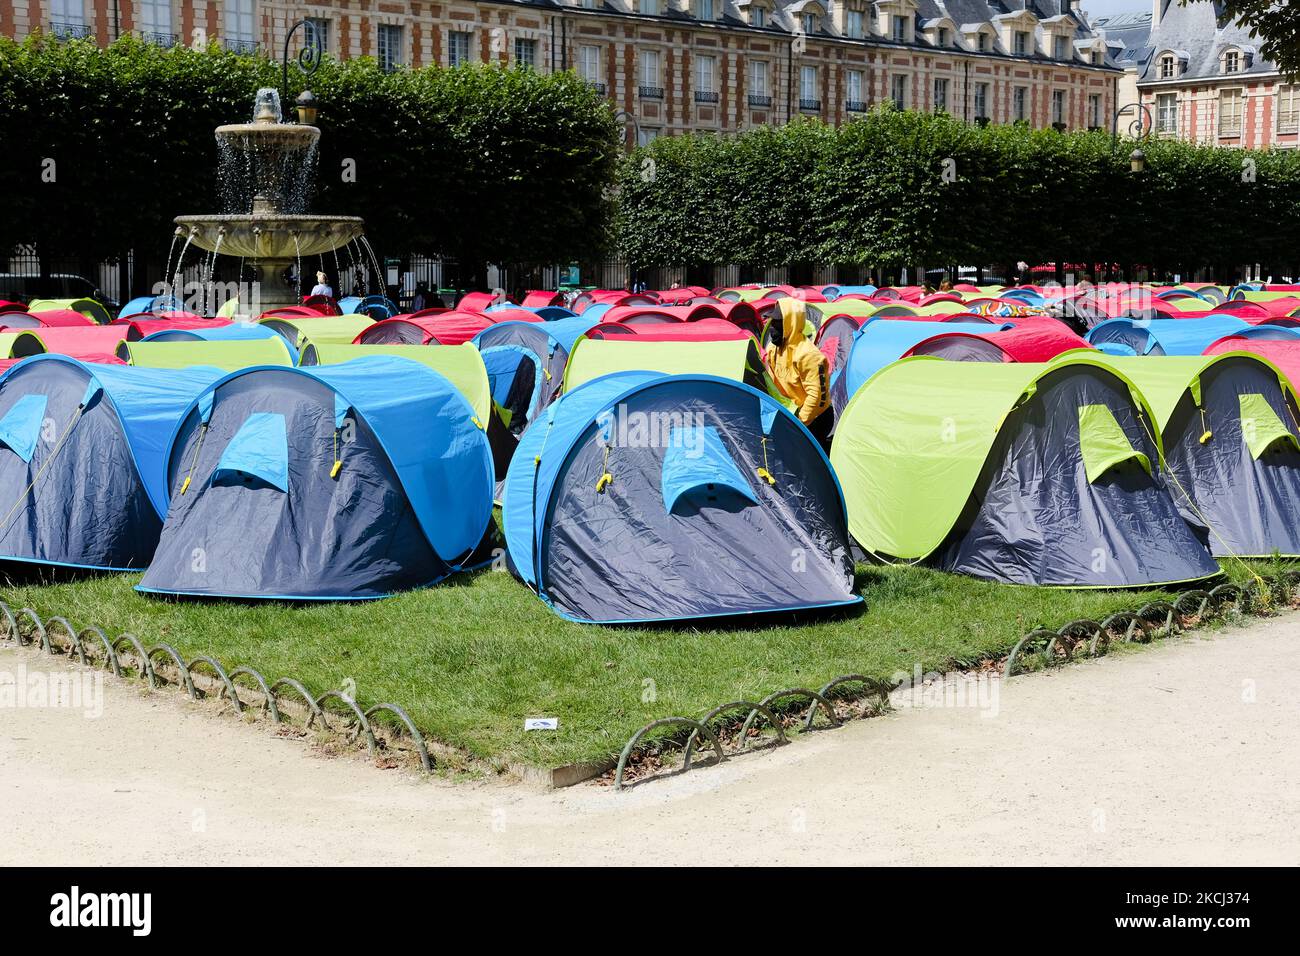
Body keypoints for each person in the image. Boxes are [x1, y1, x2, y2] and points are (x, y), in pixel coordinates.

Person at [765, 299, 832, 447]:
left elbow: (817, 397)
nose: (772, 328)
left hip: (814, 418)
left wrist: (798, 424)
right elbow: (772, 383)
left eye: (777, 323)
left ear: (791, 323)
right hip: (790, 413)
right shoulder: (773, 348)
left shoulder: (809, 355)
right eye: (772, 322)